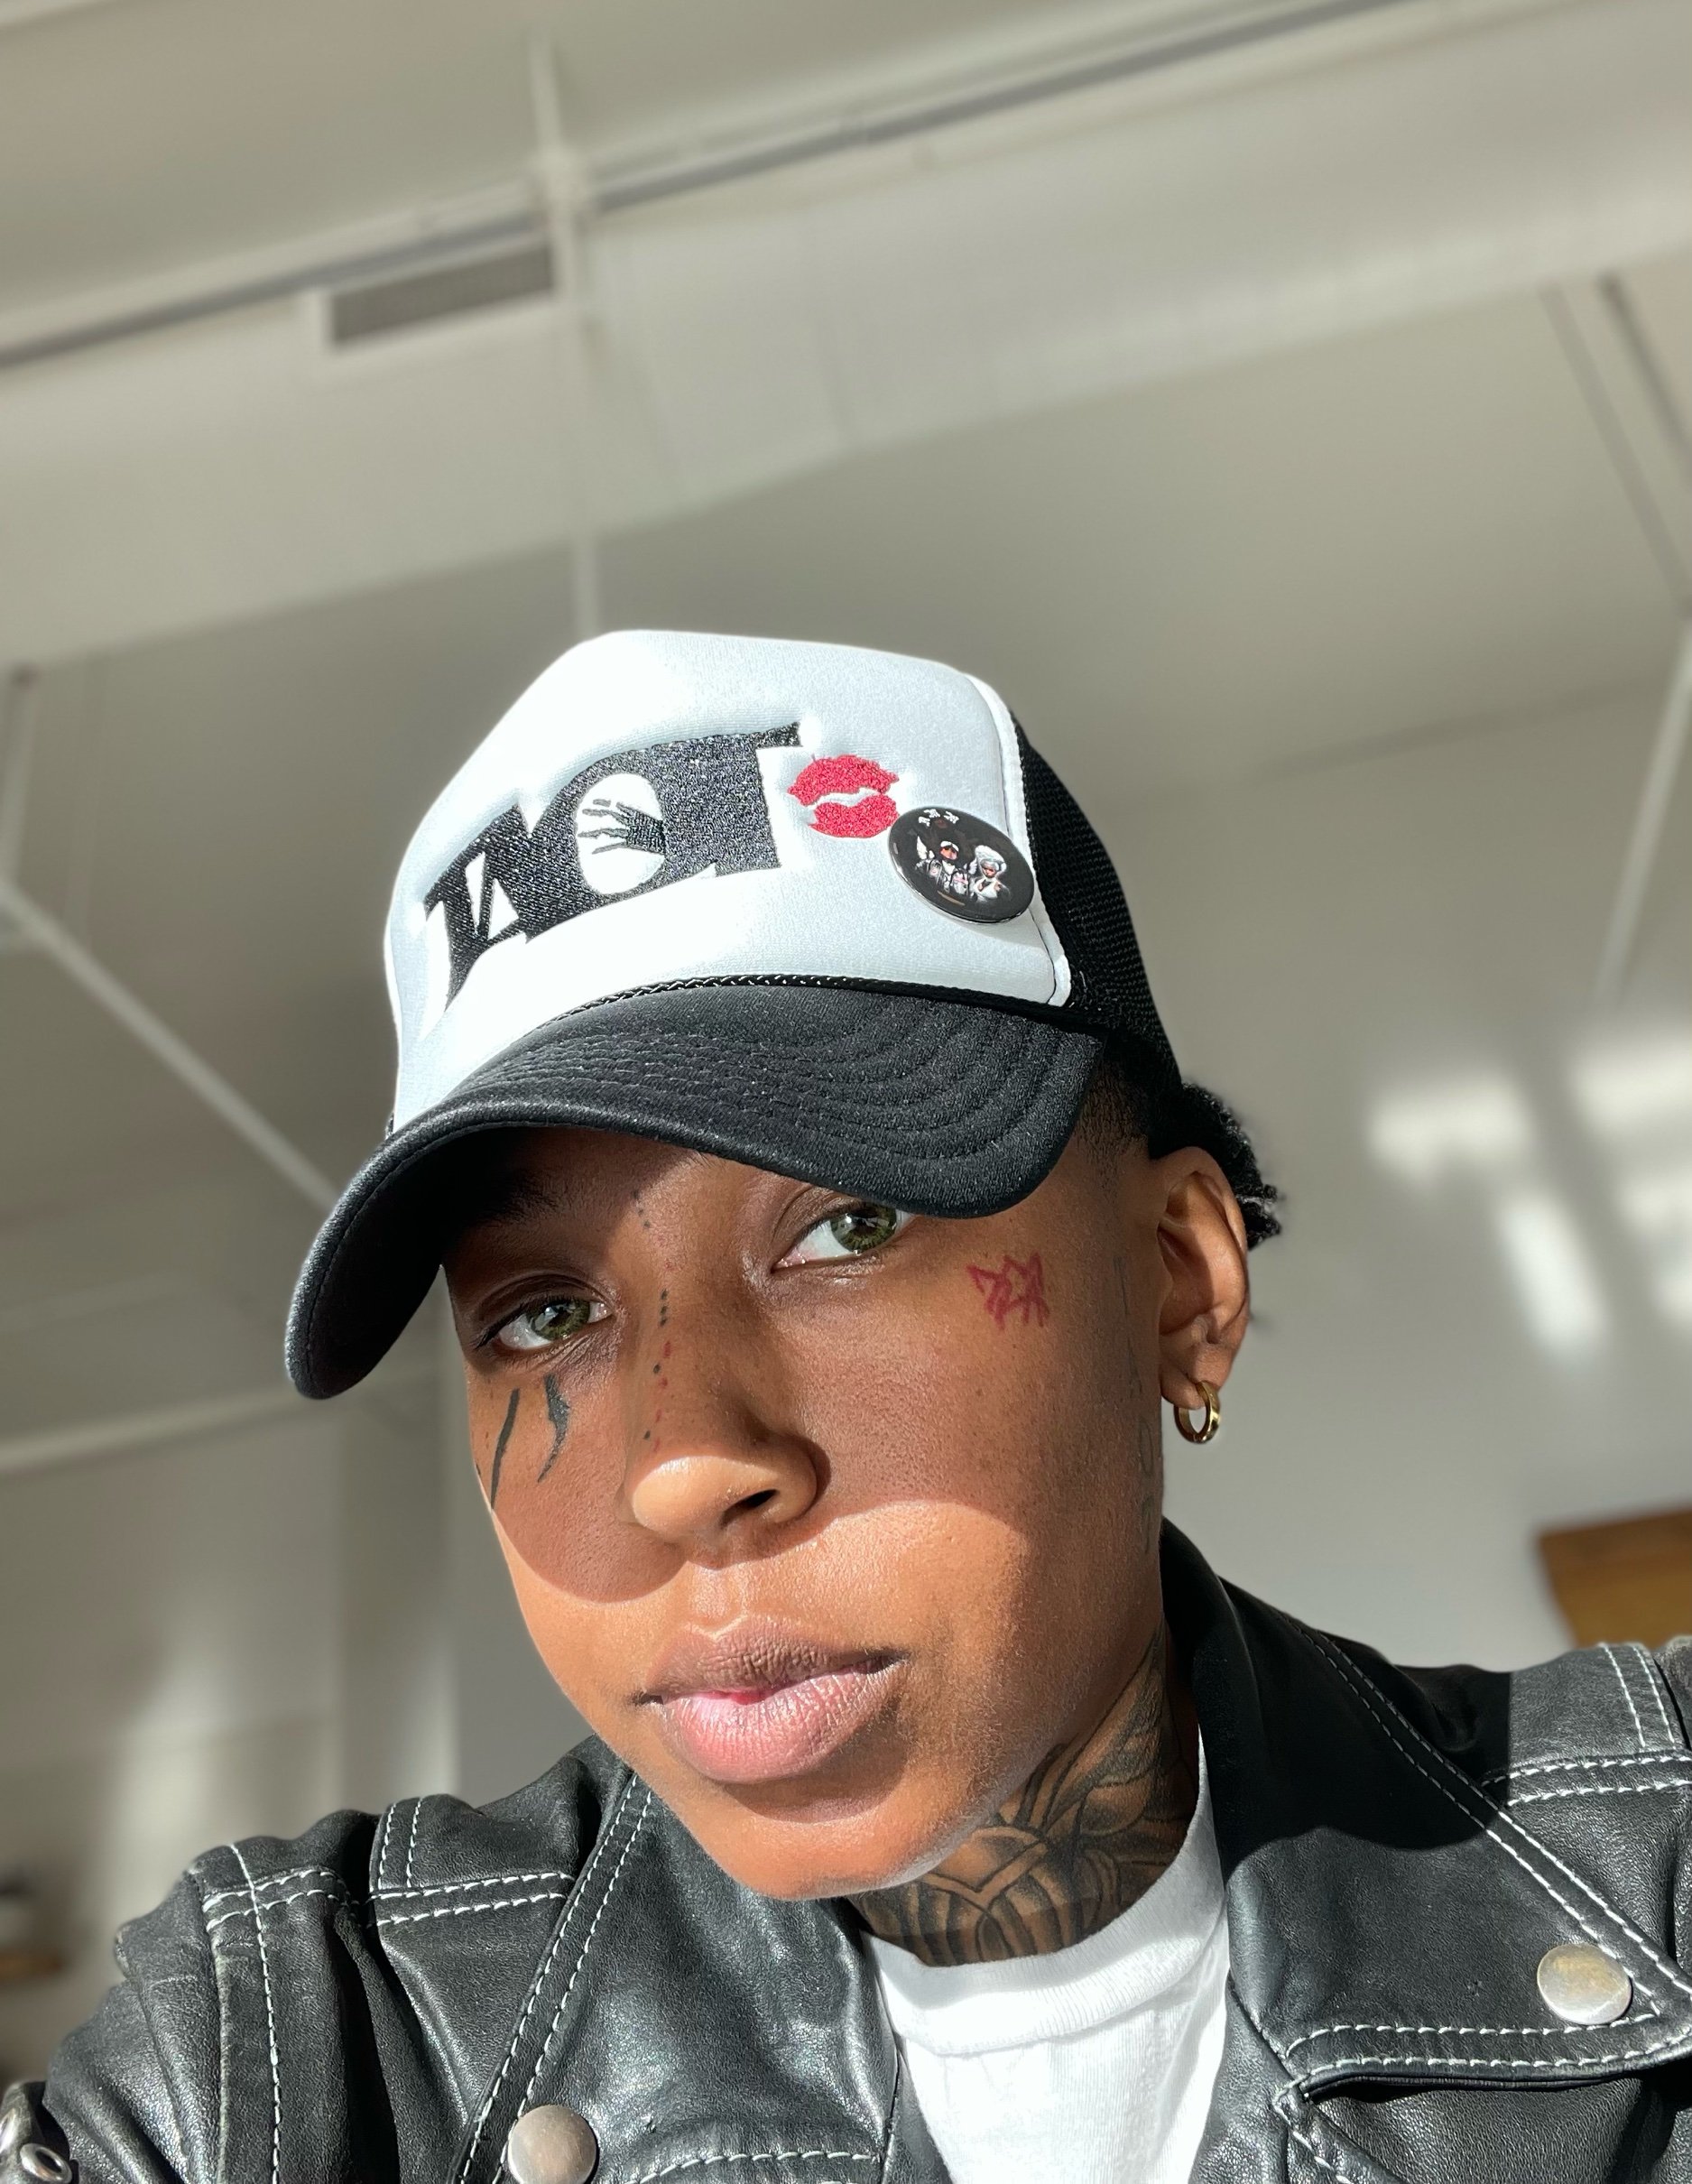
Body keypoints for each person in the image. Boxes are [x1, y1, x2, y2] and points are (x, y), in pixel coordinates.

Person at [14, 632, 1691, 2184]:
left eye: (849, 1226)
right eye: (544, 1314)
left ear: (1180, 1285)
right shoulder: (291, 2053)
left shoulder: (1661, 1863)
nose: (684, 1465)